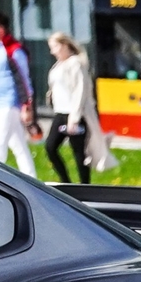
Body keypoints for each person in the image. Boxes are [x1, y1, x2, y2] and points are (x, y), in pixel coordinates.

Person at [41, 33, 113, 184]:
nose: (52, 51)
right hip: (60, 113)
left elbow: (80, 90)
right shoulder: (58, 65)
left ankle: (84, 185)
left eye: (55, 47)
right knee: (50, 147)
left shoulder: (75, 63)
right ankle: (65, 180)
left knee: (79, 152)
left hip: (74, 114)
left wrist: (74, 117)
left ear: (65, 45)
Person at [0, 11, 36, 176]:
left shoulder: (13, 50)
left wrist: (27, 105)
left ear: (0, 28)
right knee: (18, 145)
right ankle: (32, 177)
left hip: (8, 104)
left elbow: (23, 78)